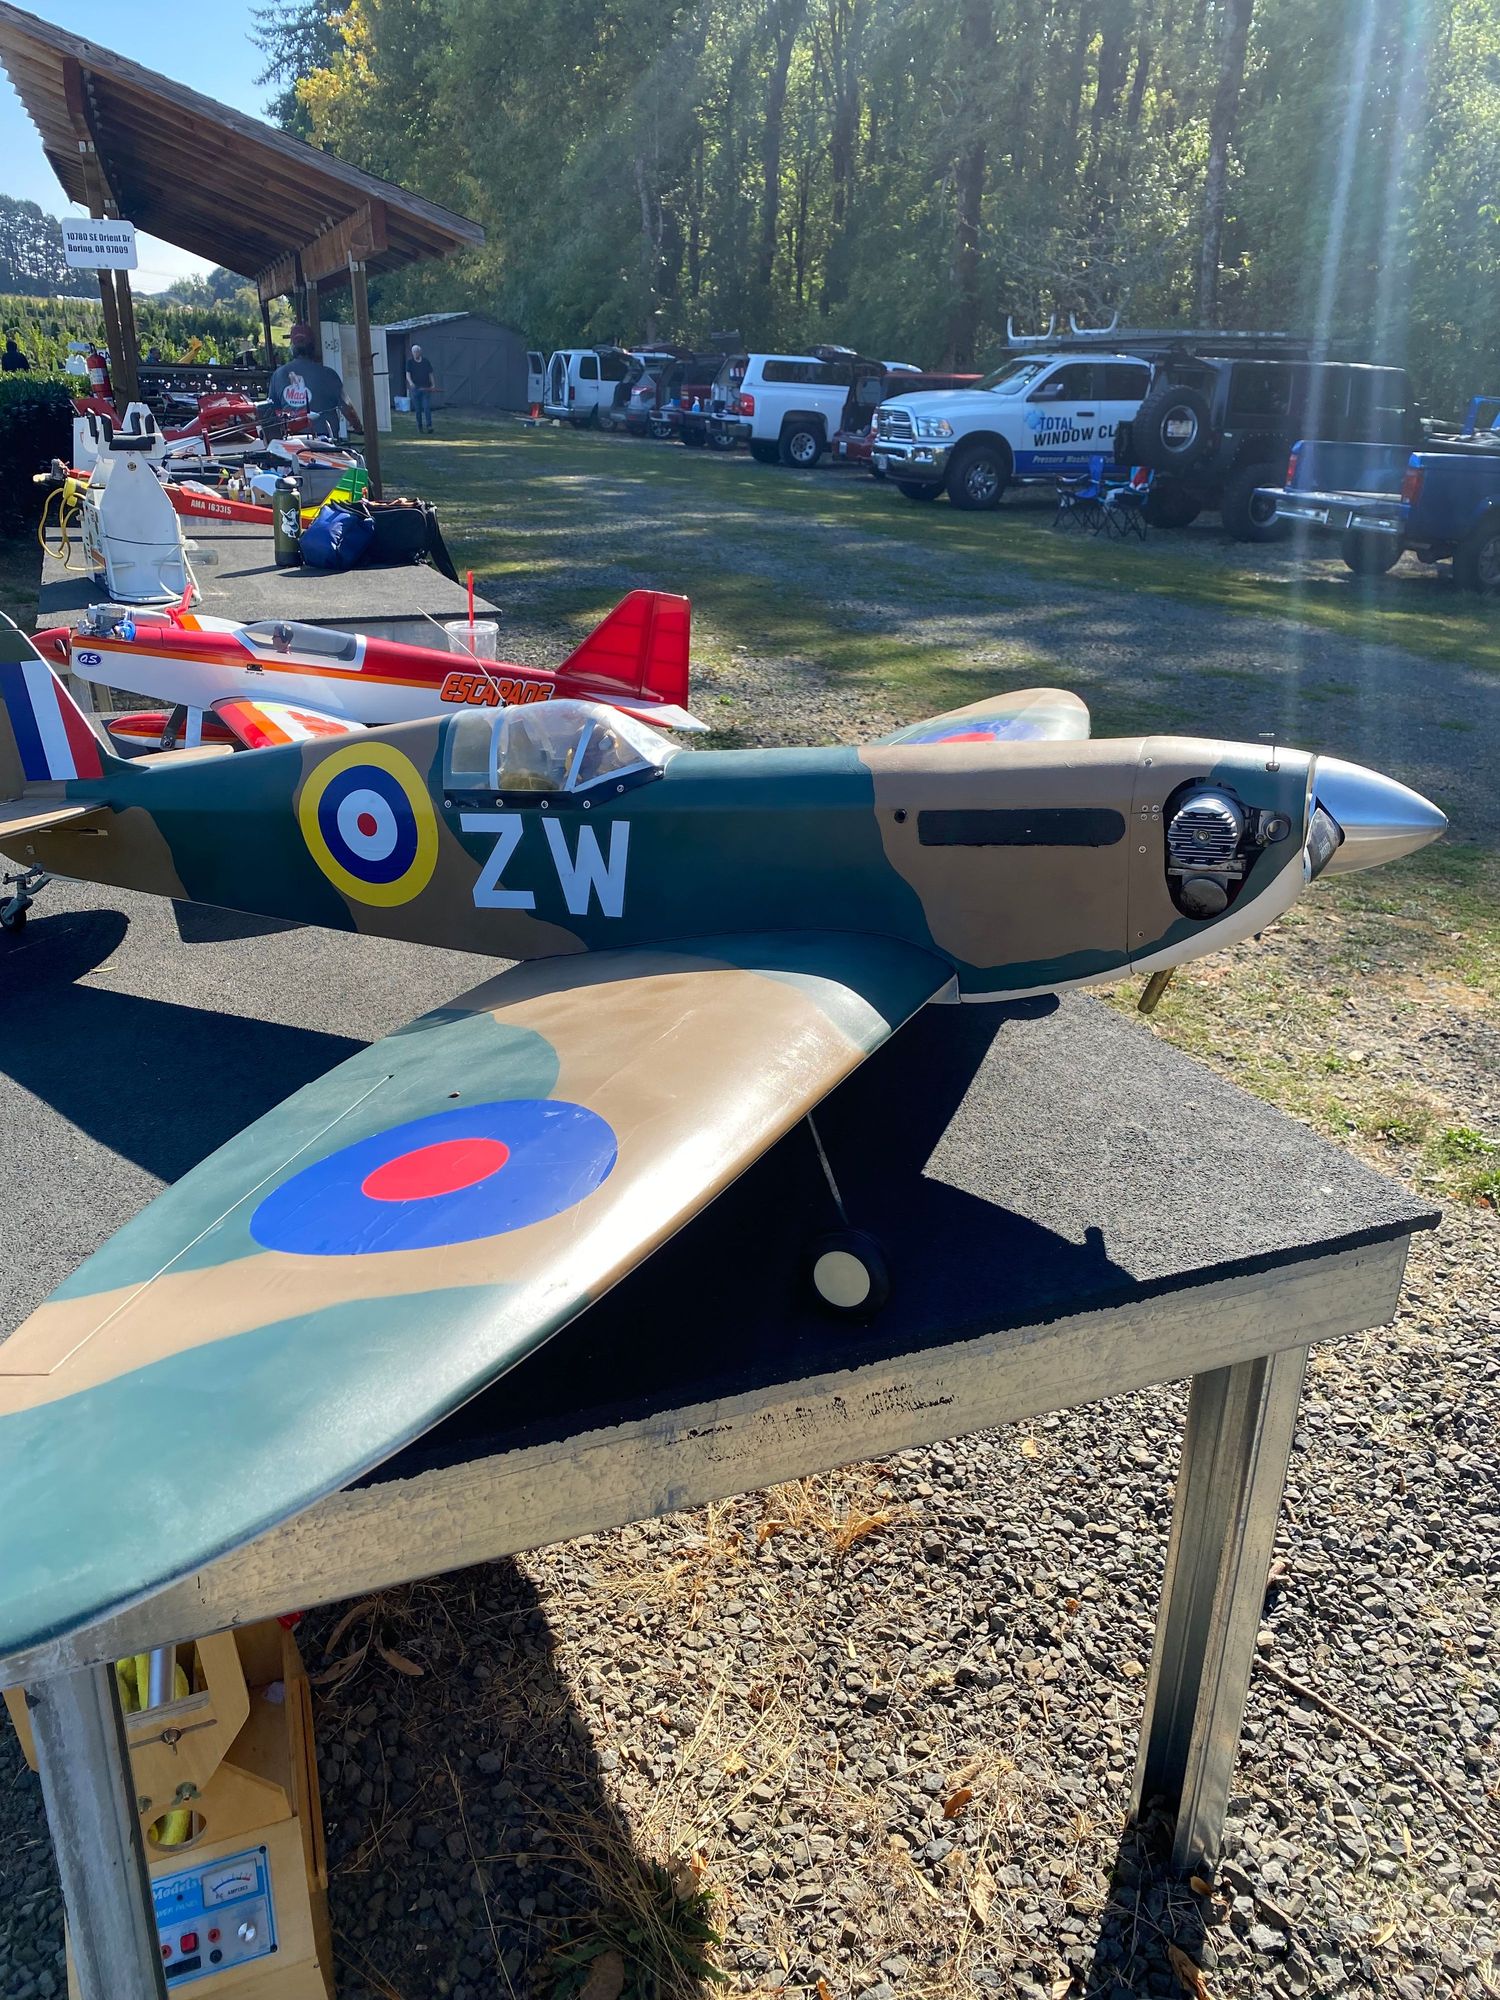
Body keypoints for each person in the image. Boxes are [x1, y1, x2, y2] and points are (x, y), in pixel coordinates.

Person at [268, 323, 360, 437]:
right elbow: (347, 407)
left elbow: (270, 411)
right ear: (313, 346)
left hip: (291, 440)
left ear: (292, 346)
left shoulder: (278, 374)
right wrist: (358, 427)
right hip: (324, 440)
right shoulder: (329, 374)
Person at [405, 343, 437, 433]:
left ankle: (429, 426)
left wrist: (433, 384)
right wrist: (411, 383)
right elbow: (408, 374)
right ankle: (419, 426)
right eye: (414, 352)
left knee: (426, 407)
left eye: (417, 352)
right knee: (418, 409)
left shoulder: (426, 362)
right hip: (415, 389)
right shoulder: (410, 362)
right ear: (412, 353)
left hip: (426, 388)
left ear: (420, 352)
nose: (415, 353)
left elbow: (430, 374)